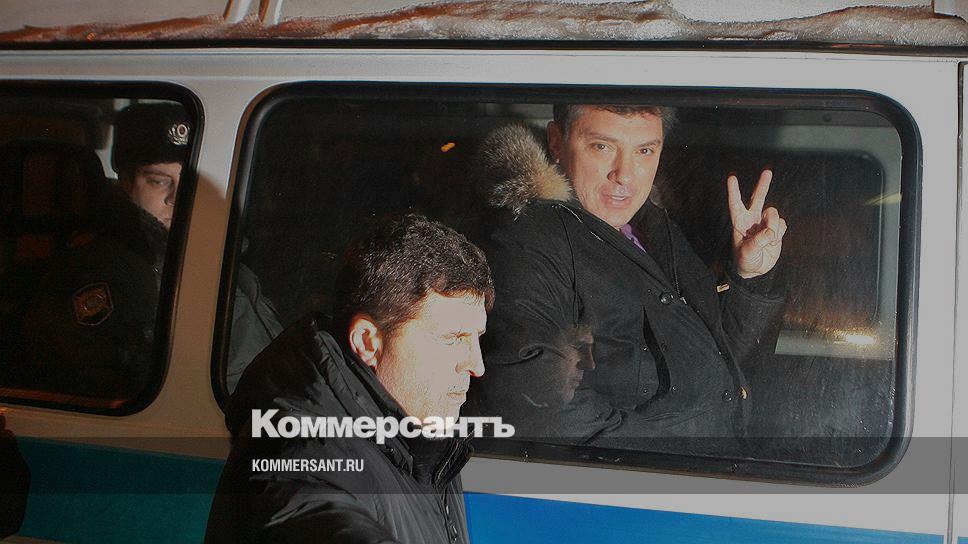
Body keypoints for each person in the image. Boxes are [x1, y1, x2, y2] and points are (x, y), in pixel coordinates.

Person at [472, 106, 787, 452]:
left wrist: (749, 278)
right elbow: (538, 409)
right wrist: (687, 461)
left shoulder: (654, 226)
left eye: (645, 151)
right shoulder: (529, 245)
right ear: (557, 142)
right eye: (602, 147)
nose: (624, 175)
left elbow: (720, 370)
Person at [205, 214, 493, 544]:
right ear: (368, 342)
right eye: (452, 338)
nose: (476, 365)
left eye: (477, 338)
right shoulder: (302, 447)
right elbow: (311, 513)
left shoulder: (424, 440)